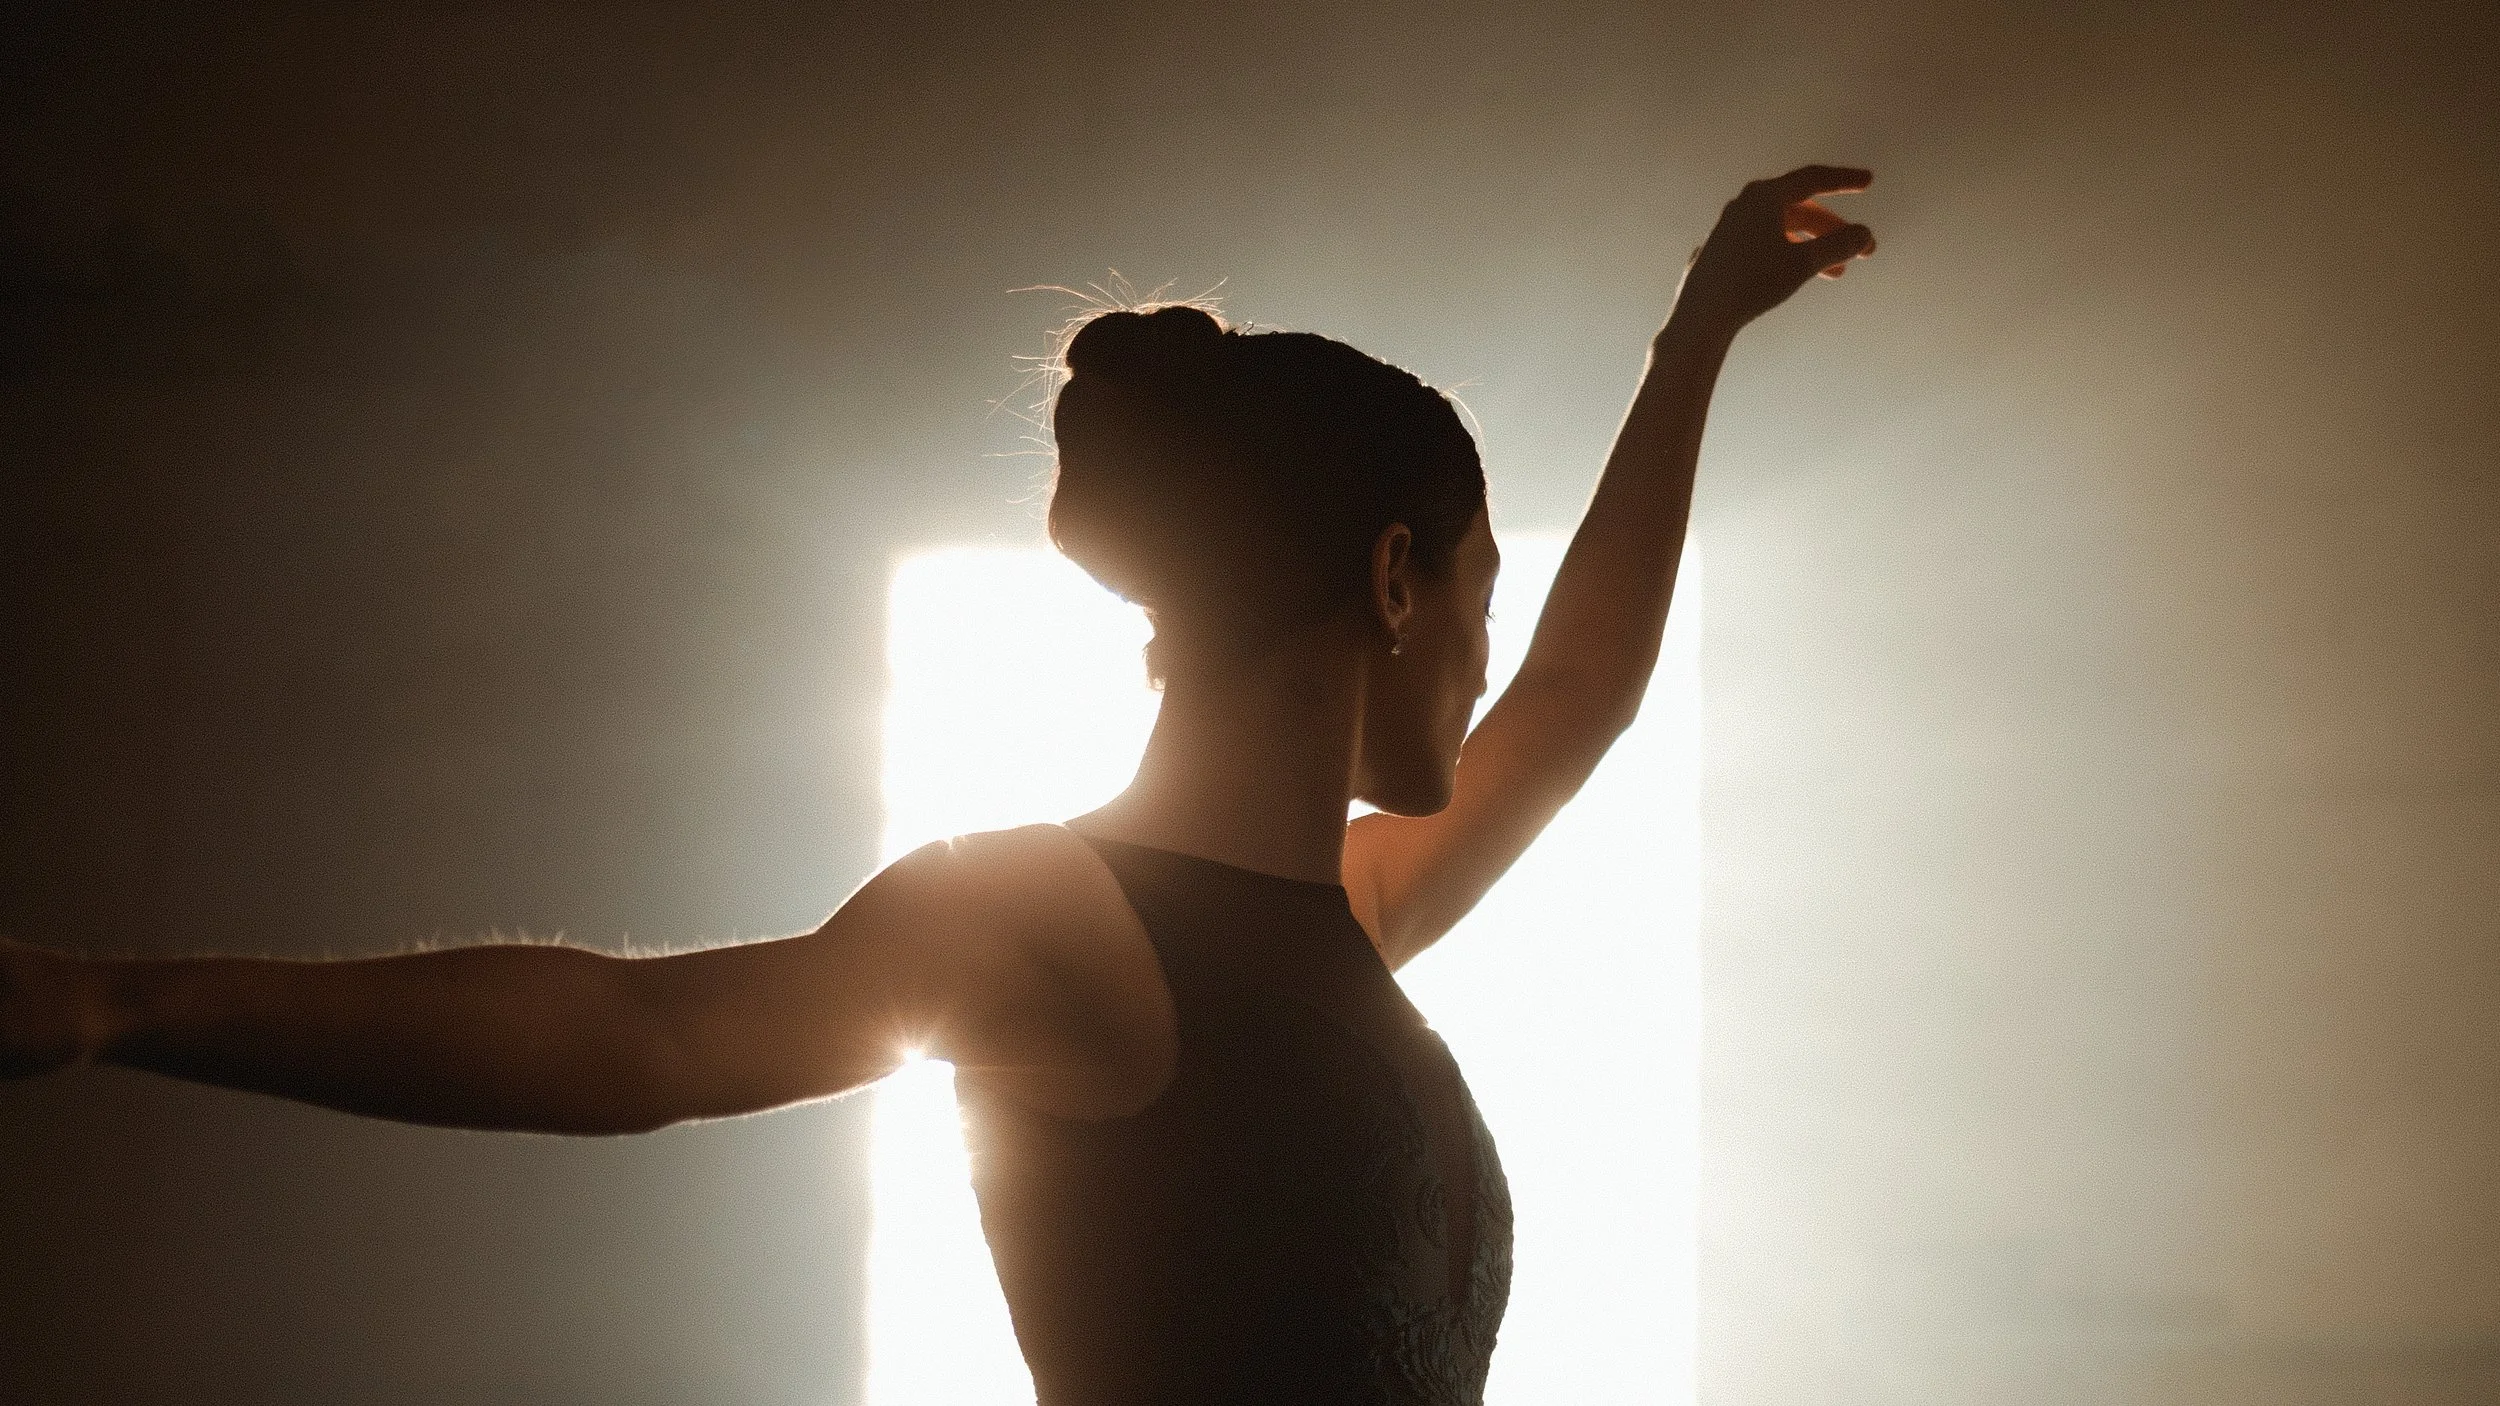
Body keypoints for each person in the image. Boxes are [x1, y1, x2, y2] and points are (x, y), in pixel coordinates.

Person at [0, 166, 1874, 1403]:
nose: (1491, 653)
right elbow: (637, 1040)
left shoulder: (1357, 917)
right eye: (1477, 593)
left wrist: (1695, 334)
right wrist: (115, 1004)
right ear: (1390, 581)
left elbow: (1581, 694)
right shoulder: (1048, 922)